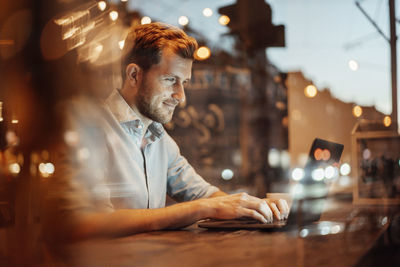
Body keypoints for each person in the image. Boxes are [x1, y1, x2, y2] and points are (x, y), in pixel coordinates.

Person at [45, 22, 289, 241]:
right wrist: (203, 208)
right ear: (134, 75)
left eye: (184, 83)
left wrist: (253, 207)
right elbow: (79, 223)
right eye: (171, 80)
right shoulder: (89, 126)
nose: (180, 97)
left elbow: (203, 194)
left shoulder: (162, 140)